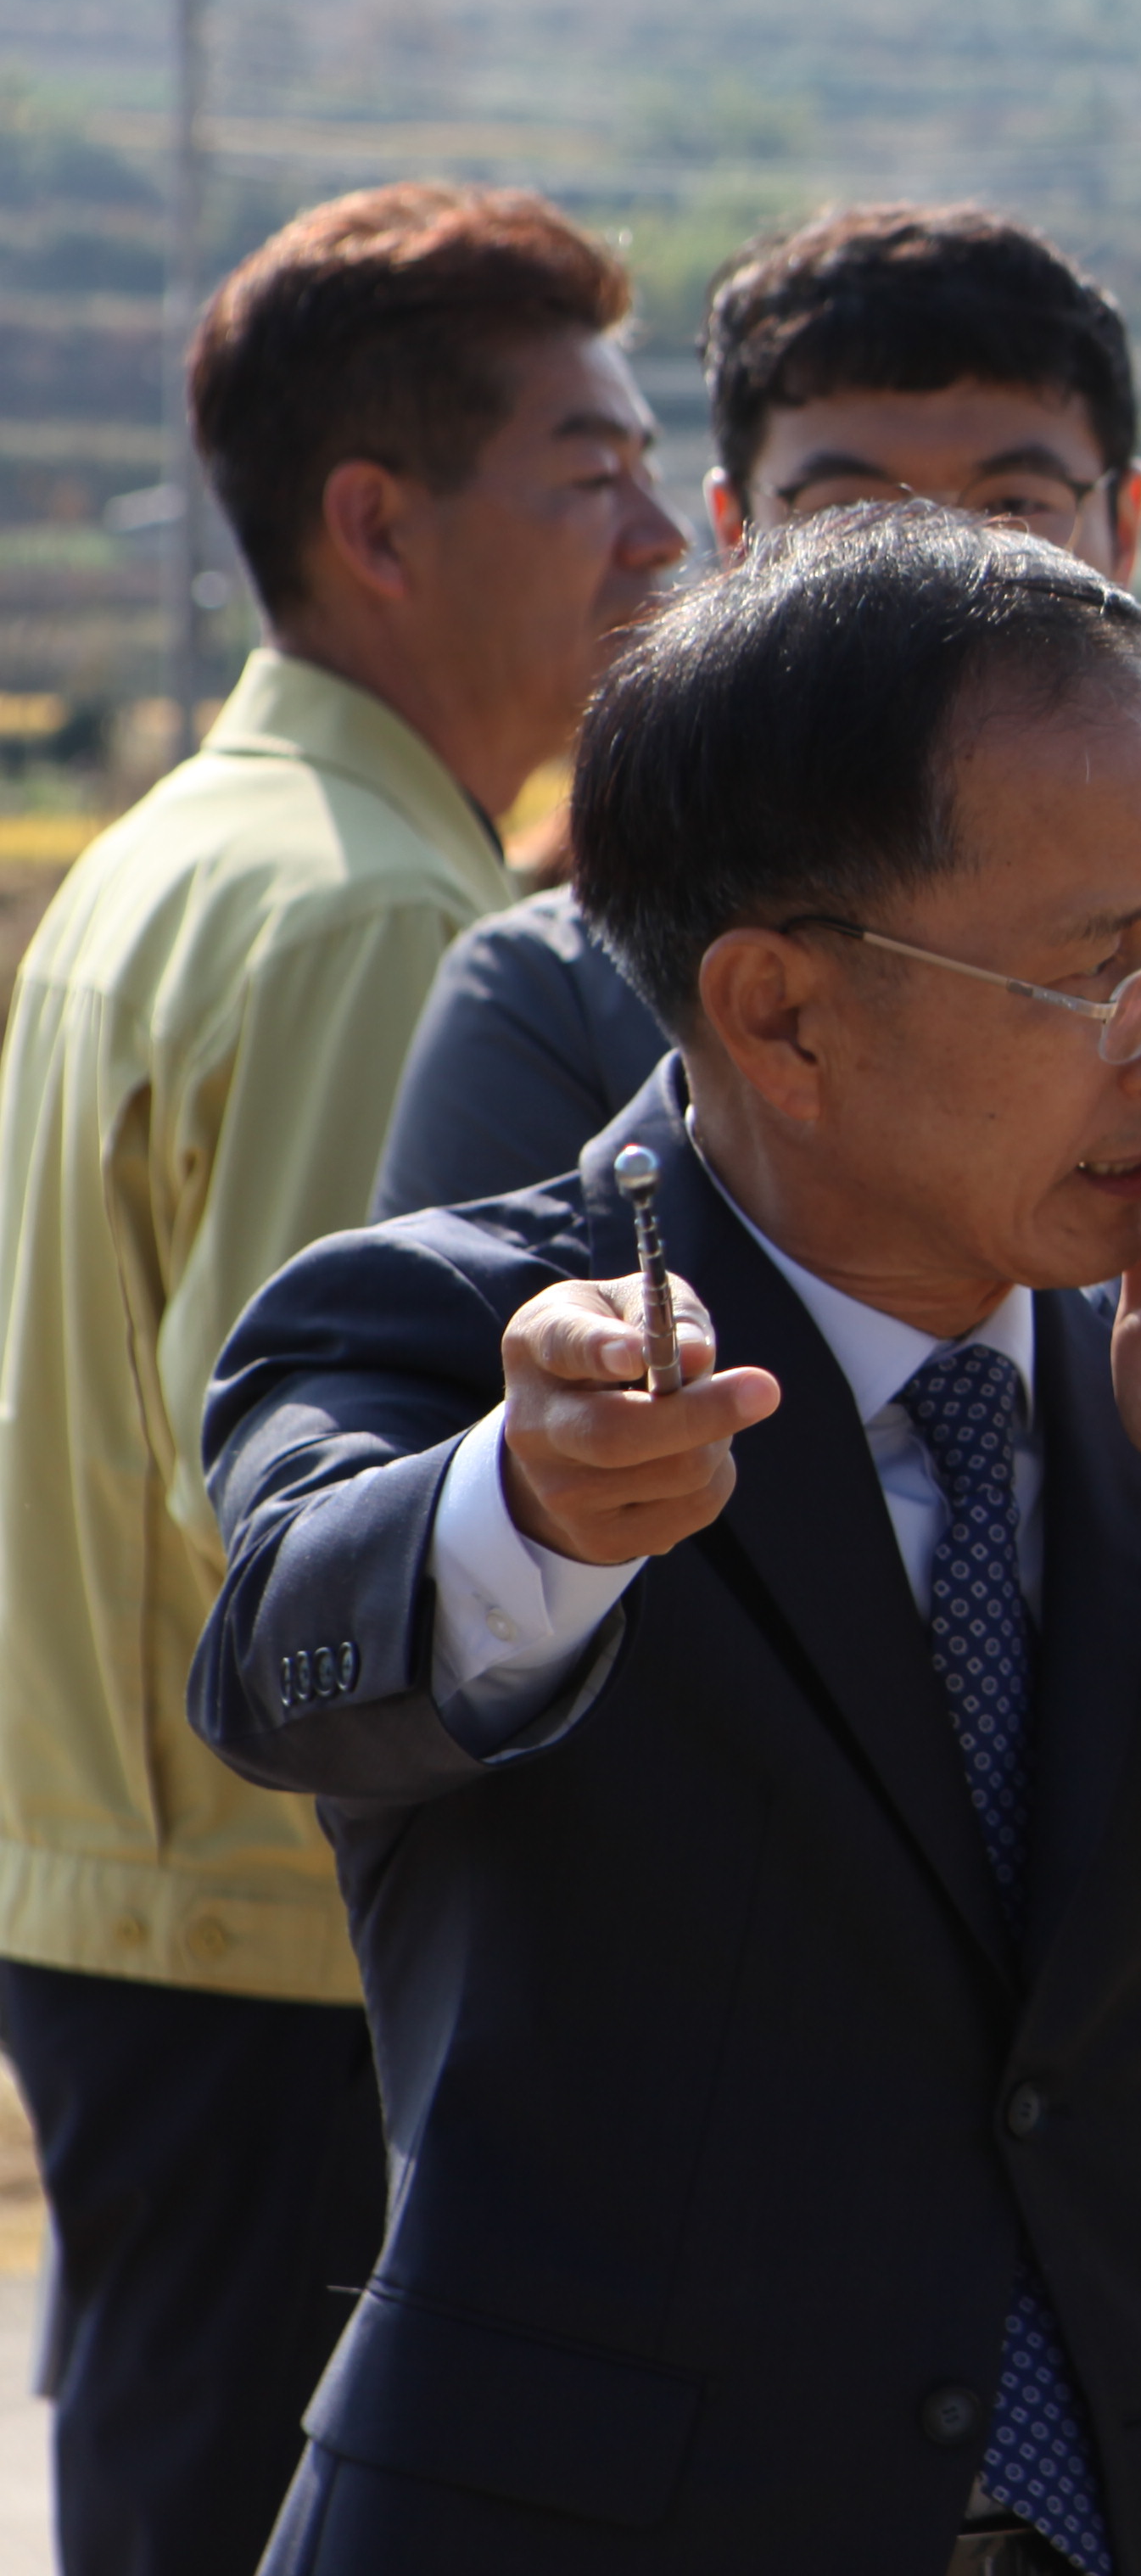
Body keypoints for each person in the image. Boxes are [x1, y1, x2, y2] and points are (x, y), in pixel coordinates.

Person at [192, 507, 1141, 2576]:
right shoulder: (461, 1336)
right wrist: (535, 1512)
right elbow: (287, 1662)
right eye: (1099, 971)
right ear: (781, 1015)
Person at [369, 200, 1141, 2348]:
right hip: (723, 2292)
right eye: (847, 509)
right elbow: (380, 1588)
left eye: (1013, 503)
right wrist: (542, 1494)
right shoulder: (542, 1012)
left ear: (1125, 517)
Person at [0, 182, 682, 2574]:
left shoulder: (197, 842)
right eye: (591, 474)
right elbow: (306, 1513)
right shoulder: (385, 917)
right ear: (373, 522)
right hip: (288, 1935)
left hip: (147, 1909)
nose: (669, 532)